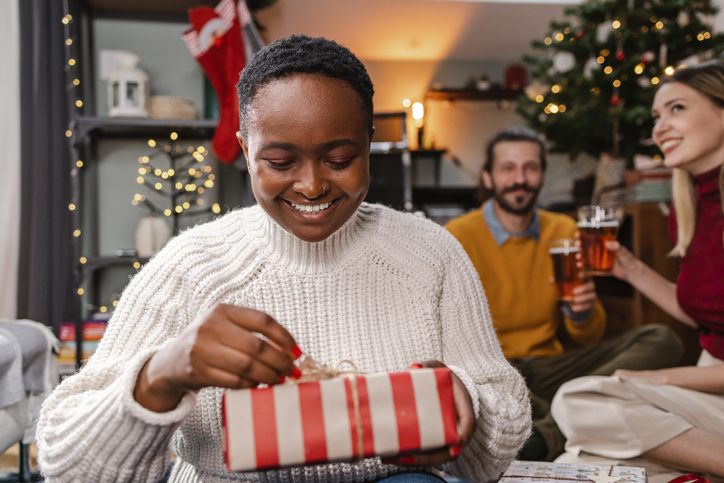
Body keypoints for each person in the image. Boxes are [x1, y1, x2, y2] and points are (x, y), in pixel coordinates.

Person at [35, 35, 530, 483]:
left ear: (369, 146)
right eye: (279, 162)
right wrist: (161, 375)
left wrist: (465, 400)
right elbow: (67, 467)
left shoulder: (432, 253)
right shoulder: (192, 265)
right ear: (246, 150)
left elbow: (492, 453)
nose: (312, 185)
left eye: (339, 160)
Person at [445, 126, 682, 462]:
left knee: (662, 340)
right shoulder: (458, 236)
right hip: (495, 371)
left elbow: (587, 335)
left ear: (541, 174)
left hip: (552, 367)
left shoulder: (564, 229)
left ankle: (549, 423)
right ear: (488, 176)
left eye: (530, 168)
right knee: (478, 386)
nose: (520, 179)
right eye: (508, 168)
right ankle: (575, 409)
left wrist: (580, 313)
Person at [551, 60, 724, 478]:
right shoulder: (691, 208)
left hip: (710, 383)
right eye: (657, 116)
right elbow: (705, 310)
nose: (660, 126)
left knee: (578, 400)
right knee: (579, 461)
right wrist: (629, 269)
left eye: (677, 108)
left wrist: (661, 379)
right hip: (709, 380)